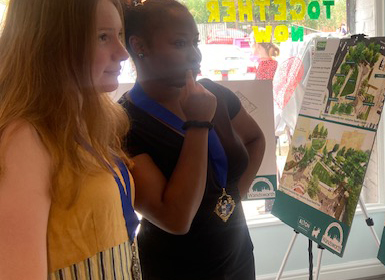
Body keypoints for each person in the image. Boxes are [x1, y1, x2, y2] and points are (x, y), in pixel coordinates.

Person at [120, 0, 266, 279]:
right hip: (174, 268)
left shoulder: (215, 94)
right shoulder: (125, 121)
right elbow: (175, 219)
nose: (195, 55)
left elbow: (255, 139)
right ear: (140, 46)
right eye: (180, 44)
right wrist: (198, 124)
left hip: (237, 259)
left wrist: (231, 197)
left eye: (196, 42)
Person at [0, 0, 139, 279]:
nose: (123, 53)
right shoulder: (25, 137)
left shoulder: (89, 121)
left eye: (119, 35)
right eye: (103, 37)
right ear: (53, 44)